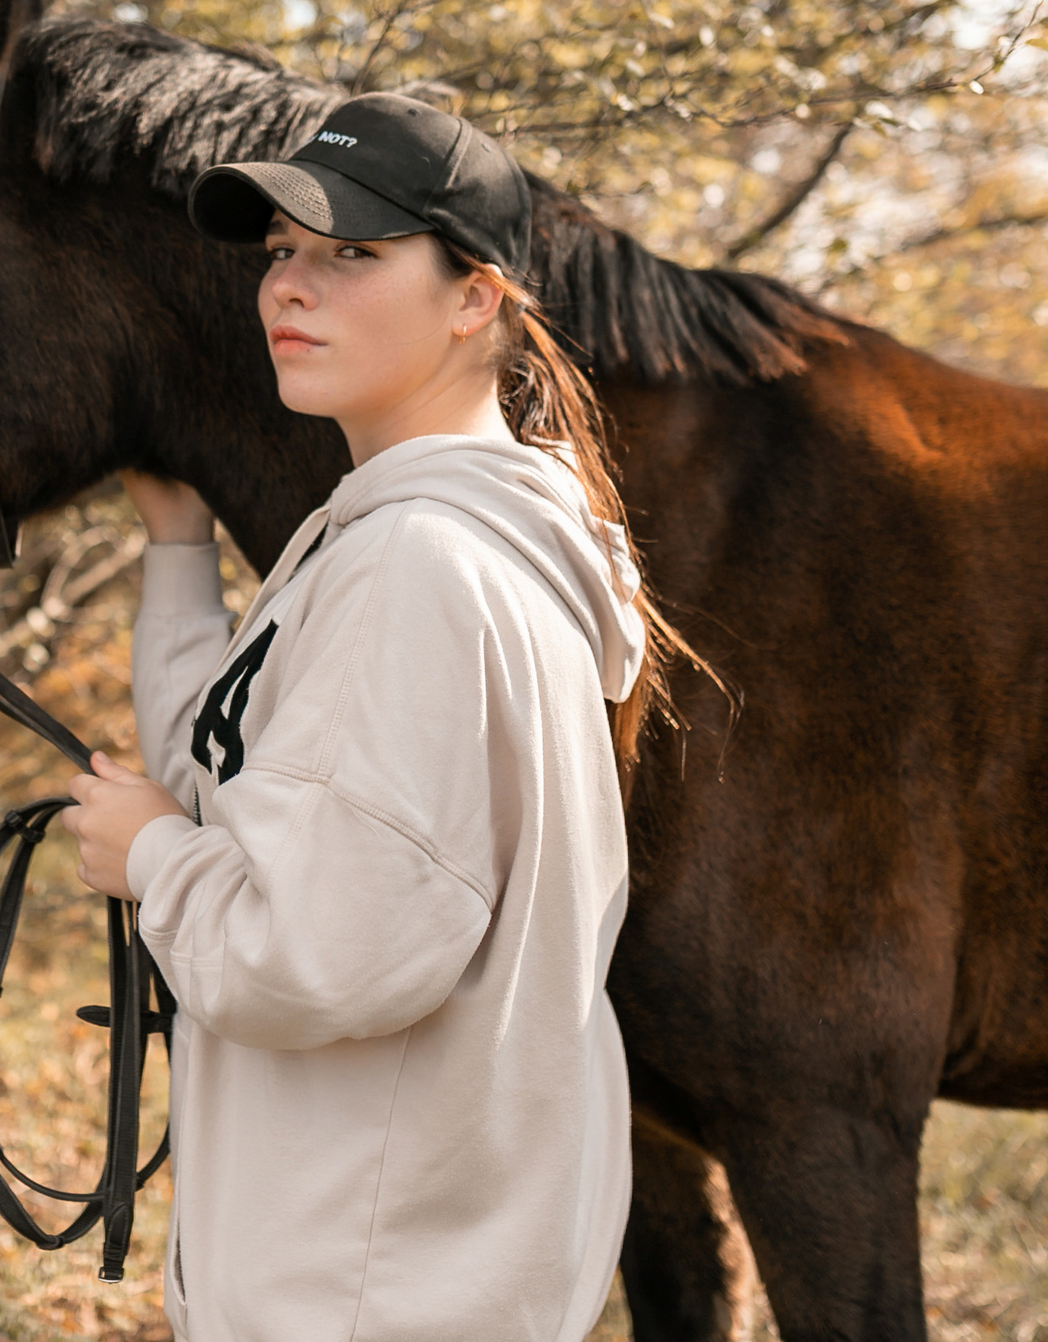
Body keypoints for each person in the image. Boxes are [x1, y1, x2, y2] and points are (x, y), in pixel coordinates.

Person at [59, 91, 675, 1342]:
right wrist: (179, 553)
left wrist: (151, 861)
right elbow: (252, 786)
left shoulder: (420, 565)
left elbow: (316, 951)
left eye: (351, 254)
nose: (289, 287)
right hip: (404, 1271)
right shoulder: (425, 537)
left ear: (474, 299)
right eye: (283, 252)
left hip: (362, 1291)